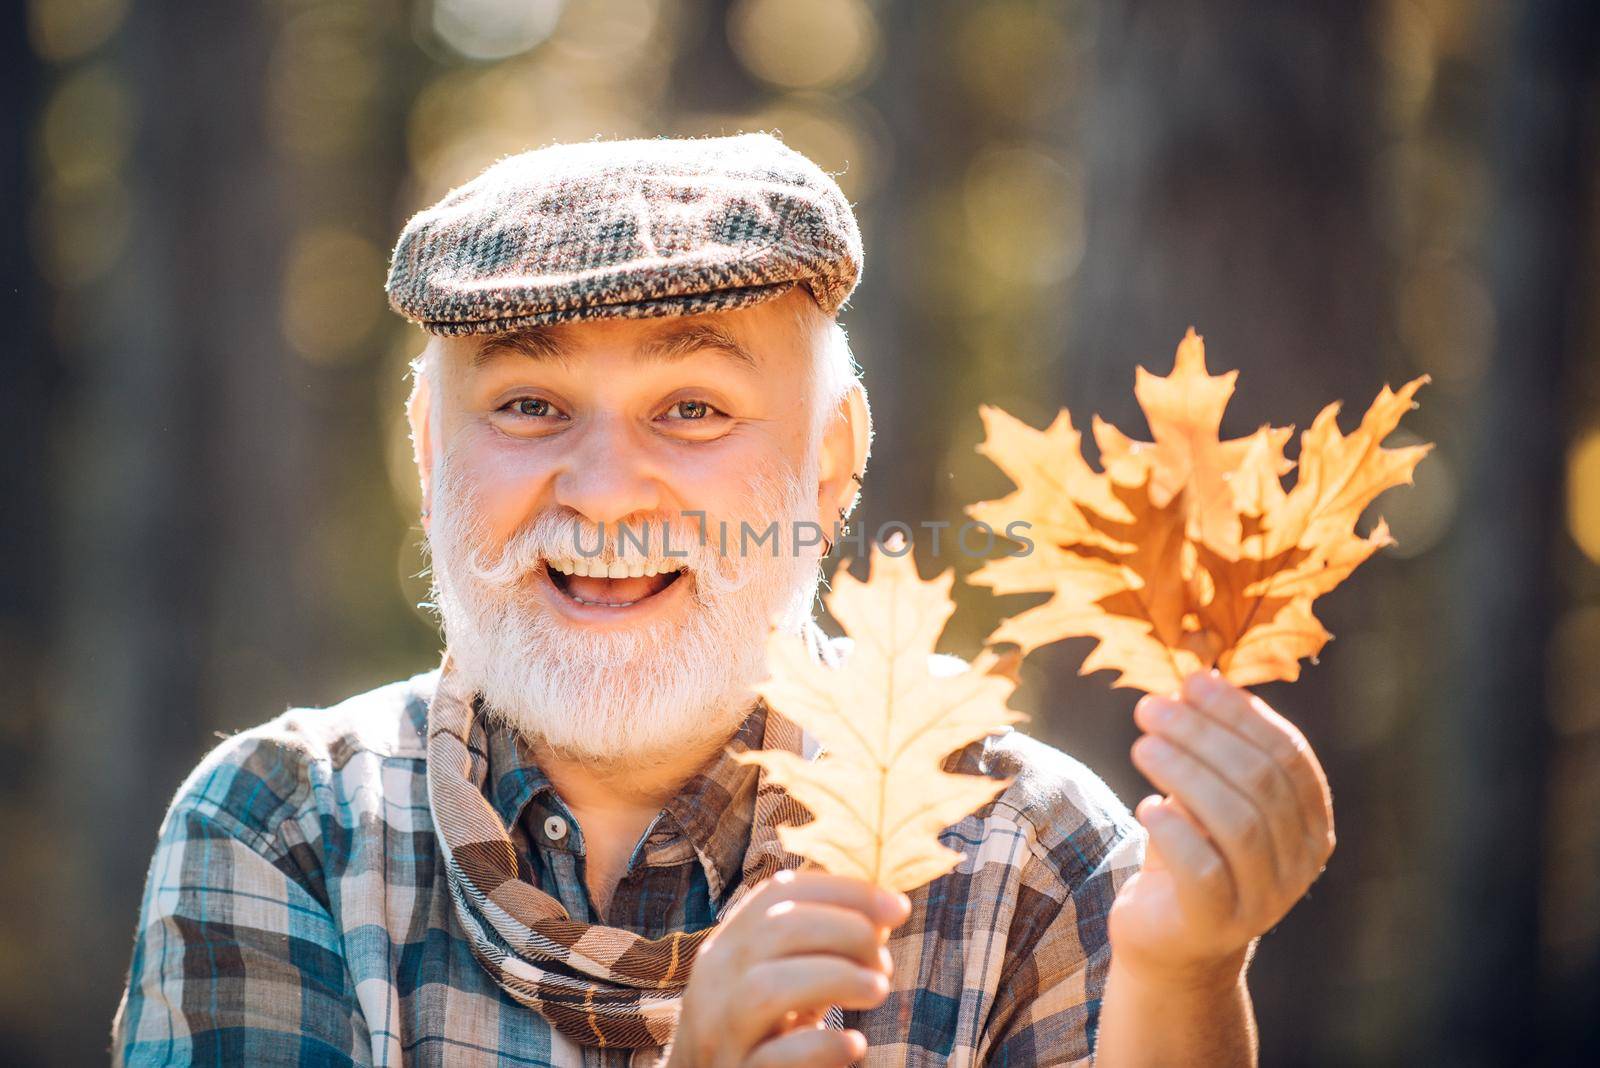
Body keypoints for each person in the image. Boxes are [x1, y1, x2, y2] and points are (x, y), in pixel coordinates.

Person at [112, 132, 1334, 1067]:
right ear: (431, 453)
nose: (601, 494)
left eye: (691, 409)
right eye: (528, 408)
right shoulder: (281, 832)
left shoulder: (1034, 861)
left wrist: (1185, 975)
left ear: (831, 460)